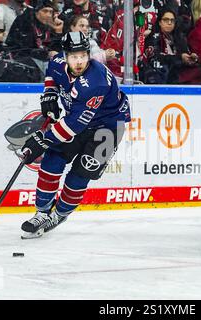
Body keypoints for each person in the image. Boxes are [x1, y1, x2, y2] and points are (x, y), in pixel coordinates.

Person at [19, 31, 131, 238]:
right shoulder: (58, 61)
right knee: (52, 160)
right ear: (66, 55)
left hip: (109, 127)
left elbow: (73, 125)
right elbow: (52, 73)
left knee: (80, 174)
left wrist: (43, 140)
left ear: (89, 54)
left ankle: (60, 213)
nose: (78, 62)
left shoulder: (95, 82)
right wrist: (50, 93)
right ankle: (42, 212)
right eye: (73, 56)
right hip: (79, 121)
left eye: (82, 56)